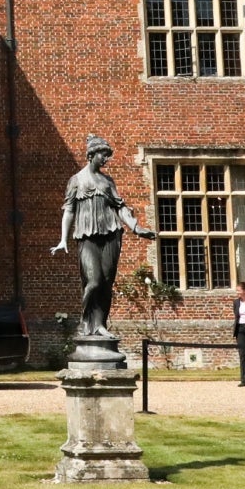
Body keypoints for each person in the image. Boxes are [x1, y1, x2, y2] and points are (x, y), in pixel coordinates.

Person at [50, 135, 156, 346]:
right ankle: (86, 322)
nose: (106, 160)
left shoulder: (108, 182)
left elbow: (120, 207)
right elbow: (69, 210)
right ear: (92, 155)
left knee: (106, 284)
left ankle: (100, 324)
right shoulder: (77, 181)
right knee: (94, 281)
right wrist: (63, 239)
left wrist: (136, 227)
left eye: (107, 156)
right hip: (87, 238)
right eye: (103, 155)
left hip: (111, 236)